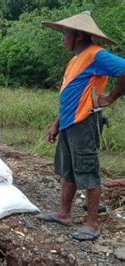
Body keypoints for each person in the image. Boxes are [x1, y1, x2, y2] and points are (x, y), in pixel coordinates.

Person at [38, 11, 125, 241]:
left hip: (84, 123)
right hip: (69, 124)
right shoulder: (75, 59)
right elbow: (68, 94)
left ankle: (93, 224)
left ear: (78, 35)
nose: (62, 38)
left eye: (65, 34)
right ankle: (64, 213)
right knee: (68, 170)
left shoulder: (97, 55)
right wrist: (56, 124)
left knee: (87, 170)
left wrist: (111, 98)